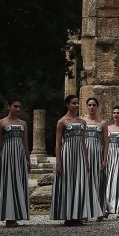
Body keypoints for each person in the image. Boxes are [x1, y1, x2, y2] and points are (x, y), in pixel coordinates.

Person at [50, 95, 93, 225]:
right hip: (67, 154)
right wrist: (58, 162)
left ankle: (78, 215)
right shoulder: (62, 121)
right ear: (67, 105)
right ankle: (67, 215)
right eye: (73, 103)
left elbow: (84, 143)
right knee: (68, 183)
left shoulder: (82, 122)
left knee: (79, 183)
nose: (76, 105)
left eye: (77, 103)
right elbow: (58, 144)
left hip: (79, 154)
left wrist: (86, 160)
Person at [0, 99, 30, 227]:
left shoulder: (23, 123)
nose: (18, 109)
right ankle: (9, 217)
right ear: (9, 107)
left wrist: (28, 159)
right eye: (15, 106)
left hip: (19, 155)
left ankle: (18, 214)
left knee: (19, 182)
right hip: (7, 155)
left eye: (19, 107)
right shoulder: (1, 123)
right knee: (8, 183)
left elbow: (25, 142)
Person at [83, 97, 108, 219]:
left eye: (94, 105)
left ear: (97, 107)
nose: (91, 107)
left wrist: (104, 159)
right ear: (86, 107)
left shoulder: (102, 123)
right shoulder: (82, 122)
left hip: (97, 154)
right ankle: (85, 212)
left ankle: (100, 210)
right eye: (89, 105)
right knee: (85, 181)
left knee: (98, 181)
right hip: (85, 154)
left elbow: (106, 143)